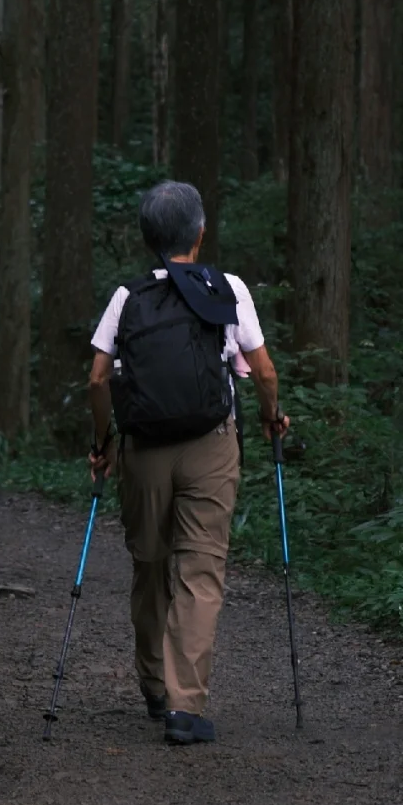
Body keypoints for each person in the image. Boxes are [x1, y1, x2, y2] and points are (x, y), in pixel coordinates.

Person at [87, 181, 289, 746]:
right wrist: (273, 415)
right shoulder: (227, 288)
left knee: (150, 564)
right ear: (199, 233)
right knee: (200, 571)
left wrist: (102, 442)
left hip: (142, 450)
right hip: (211, 444)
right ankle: (185, 706)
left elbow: (98, 379)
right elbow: (264, 372)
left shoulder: (127, 297)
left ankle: (154, 684)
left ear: (149, 238)